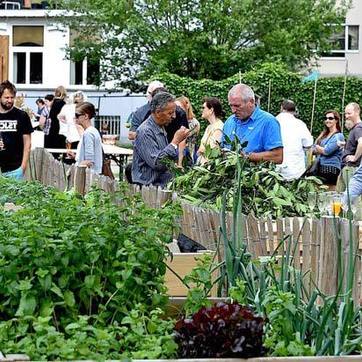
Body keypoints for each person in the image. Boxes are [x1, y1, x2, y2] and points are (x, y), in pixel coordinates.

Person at [132, 92, 190, 187]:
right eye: (170, 113)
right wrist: (175, 142)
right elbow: (157, 163)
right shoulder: (145, 131)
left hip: (159, 187)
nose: (174, 116)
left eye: (174, 112)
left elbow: (164, 158)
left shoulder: (160, 126)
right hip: (149, 190)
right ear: (158, 112)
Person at [222, 83, 283, 163]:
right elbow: (222, 147)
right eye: (231, 106)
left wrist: (247, 156)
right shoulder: (229, 122)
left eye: (237, 106)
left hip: (255, 174)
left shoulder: (268, 121)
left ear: (251, 102)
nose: (233, 110)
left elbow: (278, 156)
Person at [0, 80, 33, 180]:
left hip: (15, 169)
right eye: (6, 97)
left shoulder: (22, 116)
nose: (10, 100)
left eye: (12, 97)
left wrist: (22, 168)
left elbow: (27, 143)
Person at [276, 100, 313, 180]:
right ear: (295, 110)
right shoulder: (300, 124)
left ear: (281, 108)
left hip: (275, 169)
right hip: (295, 170)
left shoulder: (273, 121)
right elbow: (308, 144)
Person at [312, 110, 344, 185]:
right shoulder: (323, 134)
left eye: (330, 118)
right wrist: (320, 148)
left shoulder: (338, 136)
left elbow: (327, 151)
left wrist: (318, 147)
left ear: (336, 120)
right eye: (326, 118)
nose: (327, 120)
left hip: (331, 168)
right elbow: (313, 149)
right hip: (319, 167)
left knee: (329, 193)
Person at [71, 102, 103, 174]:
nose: (75, 118)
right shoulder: (93, 131)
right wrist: (76, 156)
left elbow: (89, 161)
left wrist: (74, 170)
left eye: (77, 115)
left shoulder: (88, 133)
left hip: (89, 175)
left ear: (86, 116)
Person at [337, 102, 362, 191]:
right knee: (341, 198)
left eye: (349, 113)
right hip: (347, 168)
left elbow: (361, 143)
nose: (346, 116)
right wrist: (345, 144)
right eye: (345, 114)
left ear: (357, 112)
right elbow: (356, 144)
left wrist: (355, 157)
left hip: (352, 169)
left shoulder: (358, 128)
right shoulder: (355, 128)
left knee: (352, 201)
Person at [197, 97, 224, 165]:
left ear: (211, 110)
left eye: (204, 108)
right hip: (203, 164)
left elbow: (213, 152)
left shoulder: (218, 128)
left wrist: (201, 151)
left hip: (210, 167)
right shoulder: (209, 127)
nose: (201, 110)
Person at [175, 96, 200, 166]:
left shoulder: (194, 123)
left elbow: (182, 138)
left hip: (187, 156)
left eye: (179, 107)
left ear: (186, 107)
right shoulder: (176, 120)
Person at [46, 85, 67, 150]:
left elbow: (51, 116)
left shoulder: (53, 103)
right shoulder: (63, 104)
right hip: (60, 129)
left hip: (53, 129)